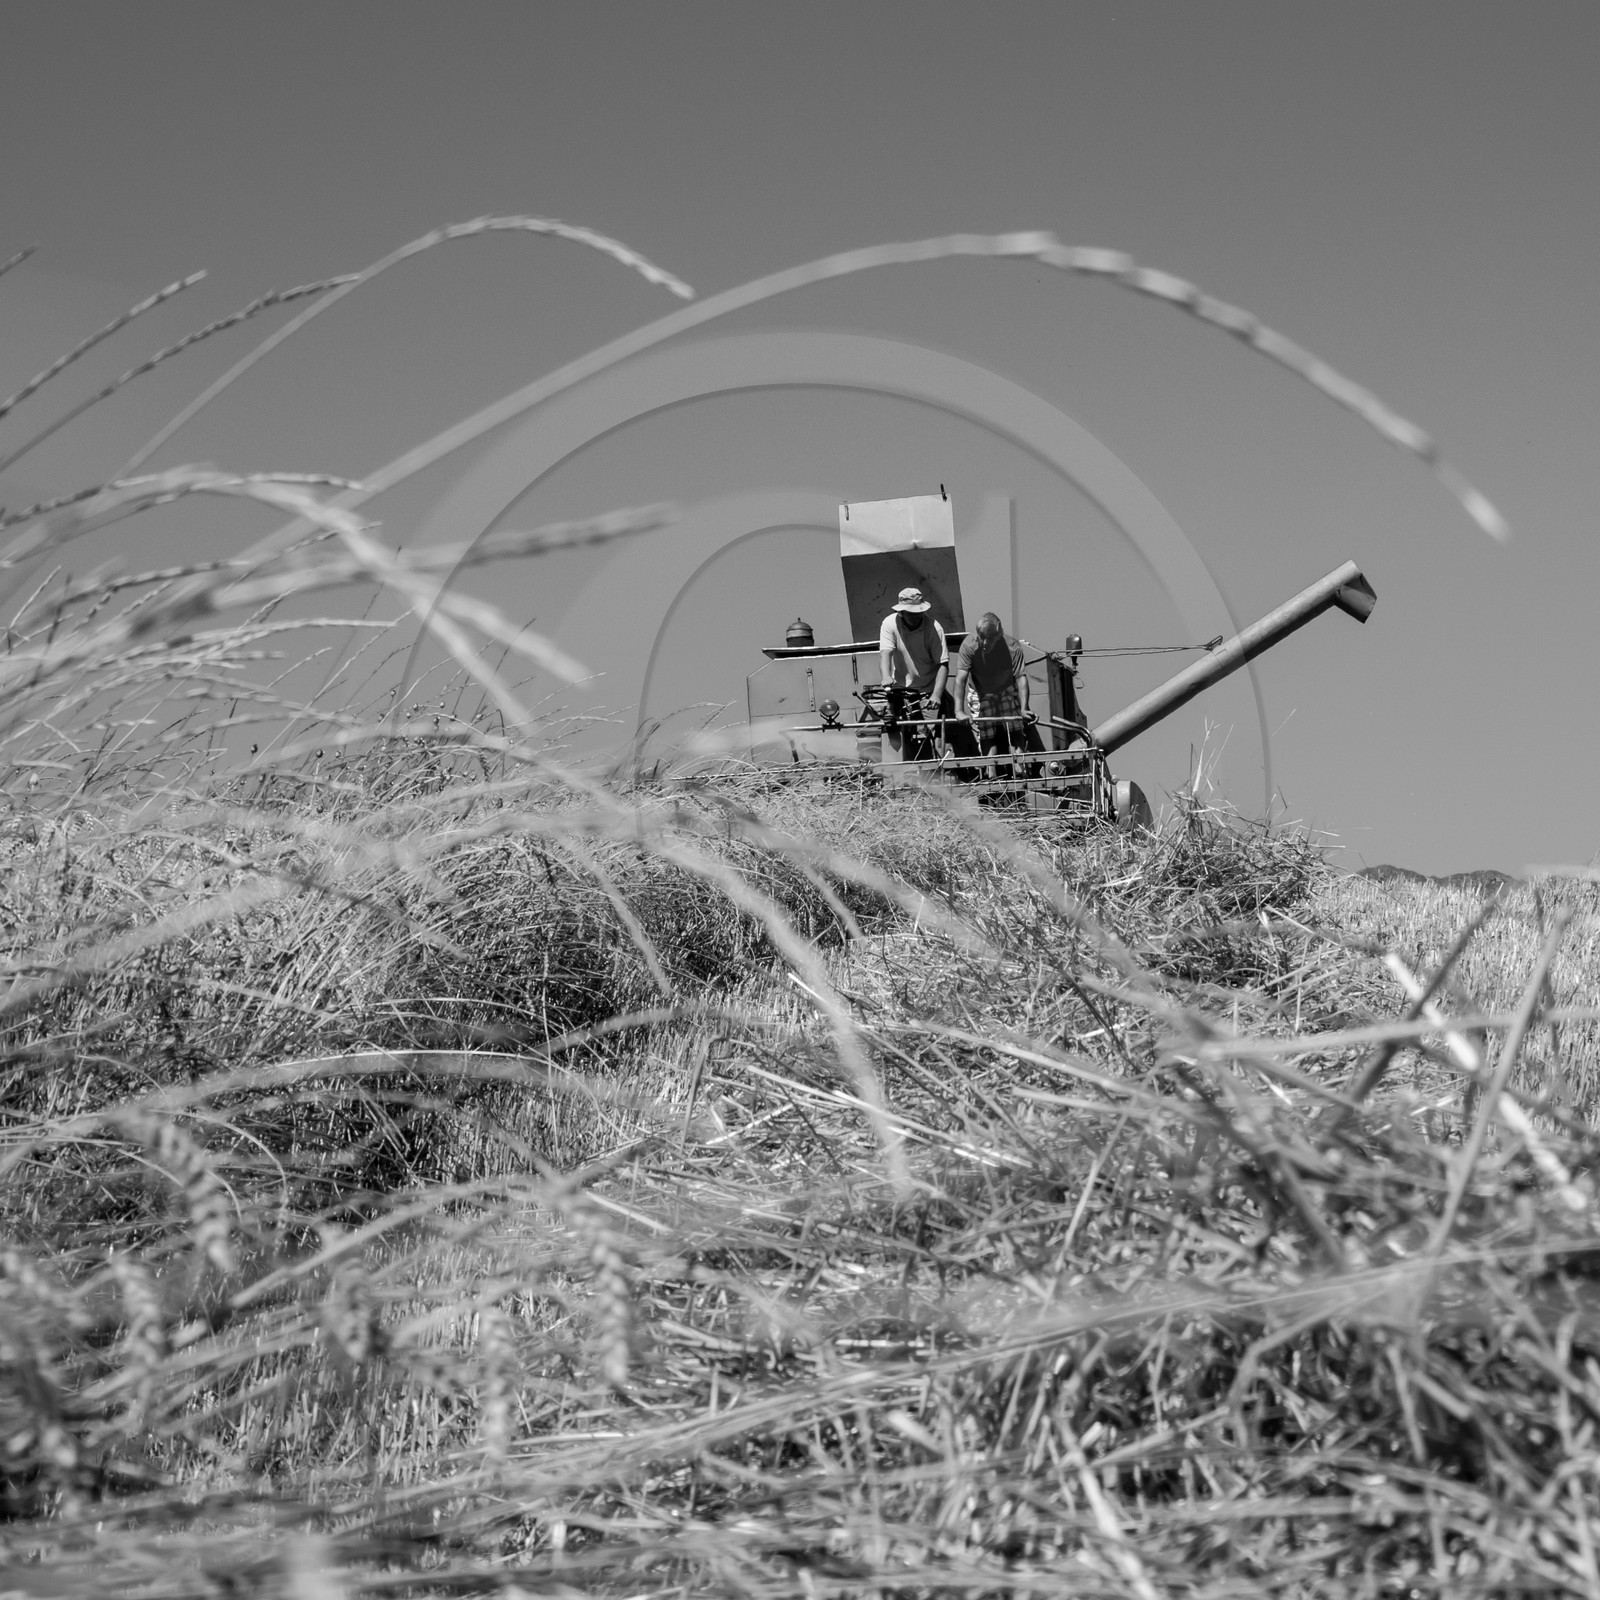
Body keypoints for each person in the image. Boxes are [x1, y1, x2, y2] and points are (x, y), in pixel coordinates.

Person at [877, 587, 976, 762]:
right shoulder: (889, 624)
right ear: (901, 612)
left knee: (937, 736)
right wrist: (886, 676)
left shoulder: (934, 628)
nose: (916, 616)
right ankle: (901, 775)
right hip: (900, 689)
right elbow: (885, 653)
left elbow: (943, 664)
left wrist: (937, 695)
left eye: (919, 612)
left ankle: (941, 776)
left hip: (929, 690)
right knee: (894, 730)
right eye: (911, 613)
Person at [953, 612, 1042, 770]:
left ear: (999, 635)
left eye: (991, 637)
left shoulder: (1012, 647)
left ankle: (1020, 768)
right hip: (980, 692)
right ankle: (990, 772)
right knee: (987, 734)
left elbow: (1021, 678)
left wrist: (1024, 708)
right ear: (977, 633)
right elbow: (960, 679)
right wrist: (959, 711)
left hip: (1006, 689)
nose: (986, 642)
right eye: (982, 636)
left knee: (1015, 728)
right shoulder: (968, 646)